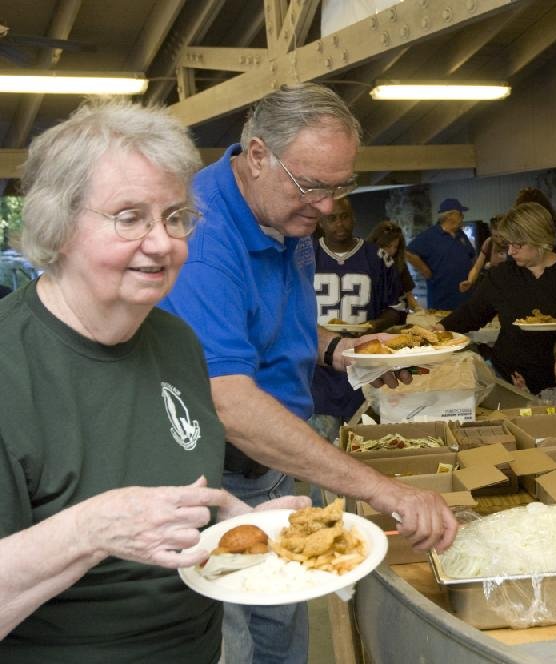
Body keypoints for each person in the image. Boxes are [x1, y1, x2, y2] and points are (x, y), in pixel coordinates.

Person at [0, 100, 309, 662]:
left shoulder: (176, 343)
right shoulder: (10, 366)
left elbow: (174, 505)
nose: (163, 243)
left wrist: (238, 521)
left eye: (174, 217)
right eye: (129, 217)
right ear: (59, 225)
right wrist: (88, 530)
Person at [159, 83, 457, 664]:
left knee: (283, 633)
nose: (326, 207)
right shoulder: (203, 232)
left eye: (340, 186)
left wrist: (340, 351)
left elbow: (269, 324)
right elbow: (228, 401)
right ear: (259, 154)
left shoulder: (282, 211)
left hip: (275, 467)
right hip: (211, 482)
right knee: (231, 645)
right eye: (313, 186)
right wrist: (382, 490)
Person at [440, 202, 556, 394]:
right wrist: (439, 330)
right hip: (510, 377)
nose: (510, 251)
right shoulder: (501, 276)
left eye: (518, 245)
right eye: (508, 244)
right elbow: (472, 313)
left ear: (539, 239)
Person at [312, 198, 406, 427]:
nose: (340, 224)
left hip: (364, 364)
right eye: (332, 218)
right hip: (316, 371)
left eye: (344, 216)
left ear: (354, 218)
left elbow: (398, 308)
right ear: (320, 222)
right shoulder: (304, 256)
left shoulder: (377, 257)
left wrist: (376, 324)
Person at [407, 198, 476, 310]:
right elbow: (409, 252)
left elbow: (471, 255)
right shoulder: (430, 235)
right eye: (460, 214)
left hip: (465, 295)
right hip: (442, 297)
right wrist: (424, 270)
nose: (462, 217)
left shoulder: (461, 234)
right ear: (449, 215)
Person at [368, 219, 420, 312]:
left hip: (396, 316)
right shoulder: (365, 263)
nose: (392, 251)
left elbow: (410, 297)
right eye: (388, 246)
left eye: (395, 247)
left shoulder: (399, 264)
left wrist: (420, 312)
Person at [460, 215, 509, 292]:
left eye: (502, 236)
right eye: (495, 236)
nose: (499, 240)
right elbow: (477, 267)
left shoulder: (514, 244)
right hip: (494, 287)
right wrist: (470, 281)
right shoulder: (489, 242)